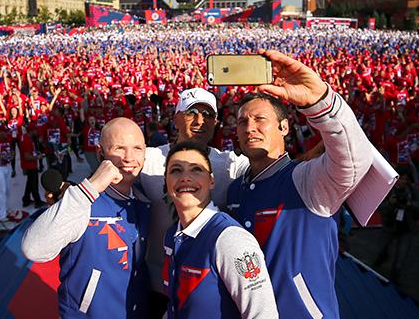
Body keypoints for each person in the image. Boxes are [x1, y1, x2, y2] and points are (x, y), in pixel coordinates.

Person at [226, 50, 384, 319]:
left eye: (260, 119)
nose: (249, 127)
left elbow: (355, 159)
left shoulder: (308, 181)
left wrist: (320, 101)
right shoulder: (234, 188)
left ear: (285, 127)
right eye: (242, 121)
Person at [21, 118, 151, 319]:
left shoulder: (146, 200)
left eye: (137, 148)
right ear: (100, 153)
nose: (129, 157)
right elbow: (33, 249)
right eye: (119, 148)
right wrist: (89, 189)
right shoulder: (82, 201)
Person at [140, 87, 250, 317]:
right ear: (176, 118)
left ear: (216, 122)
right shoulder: (148, 158)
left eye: (208, 114)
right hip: (154, 284)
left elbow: (274, 168)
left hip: (204, 288)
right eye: (191, 113)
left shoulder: (229, 163)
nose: (200, 120)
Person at [163, 141, 278, 318]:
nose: (185, 177)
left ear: (211, 181)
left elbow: (263, 314)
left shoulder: (230, 238)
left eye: (196, 169)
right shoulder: (172, 236)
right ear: (166, 182)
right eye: (176, 170)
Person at [372, 166, 419, 284]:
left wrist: (410, 204)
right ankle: (381, 259)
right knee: (382, 248)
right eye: (399, 179)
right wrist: (390, 204)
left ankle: (394, 277)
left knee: (401, 257)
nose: (402, 182)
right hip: (389, 227)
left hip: (407, 228)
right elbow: (379, 208)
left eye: (404, 179)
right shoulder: (387, 190)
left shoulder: (413, 190)